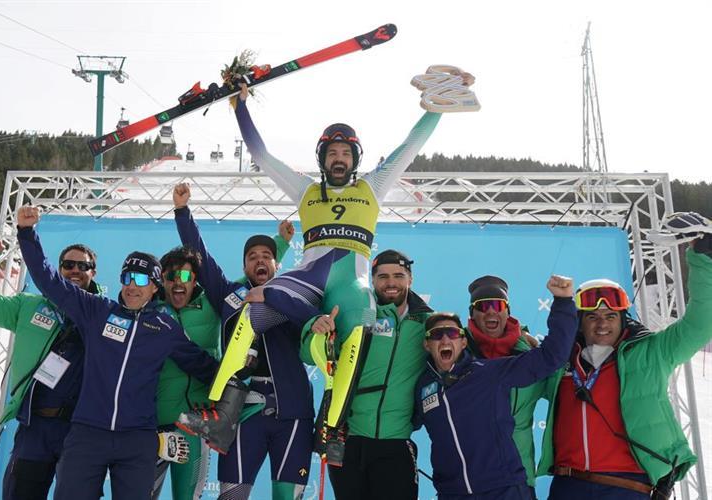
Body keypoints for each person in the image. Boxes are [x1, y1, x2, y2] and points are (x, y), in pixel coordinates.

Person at [182, 71, 476, 463]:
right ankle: (222, 412)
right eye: (332, 153)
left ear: (355, 160)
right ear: (322, 158)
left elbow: (410, 146)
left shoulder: (371, 187)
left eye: (346, 154)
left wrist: (437, 109)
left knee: (355, 336)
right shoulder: (306, 191)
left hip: (349, 283)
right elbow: (262, 157)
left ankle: (333, 430)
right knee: (251, 313)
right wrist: (240, 106)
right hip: (310, 278)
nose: (339, 159)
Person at [14, 205, 218, 500]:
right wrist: (27, 234)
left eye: (140, 280)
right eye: (127, 278)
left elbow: (201, 366)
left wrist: (237, 380)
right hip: (88, 433)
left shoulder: (165, 328)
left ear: (154, 287)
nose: (132, 287)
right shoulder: (97, 311)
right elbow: (49, 281)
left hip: (137, 439)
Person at [538, 228, 712, 498]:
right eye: (593, 317)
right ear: (580, 324)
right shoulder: (560, 361)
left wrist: (703, 258)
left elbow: (700, 324)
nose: (602, 323)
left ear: (624, 320)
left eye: (610, 316)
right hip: (568, 485)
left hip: (628, 487)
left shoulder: (652, 352)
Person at [172, 184, 312, 500]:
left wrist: (281, 246)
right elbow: (200, 256)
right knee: (232, 496)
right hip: (242, 412)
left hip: (292, 412)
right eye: (252, 257)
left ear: (277, 264)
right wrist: (183, 212)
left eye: (267, 257)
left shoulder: (293, 295)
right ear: (244, 265)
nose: (259, 261)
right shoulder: (230, 294)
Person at [414, 275, 577, 500]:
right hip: (453, 492)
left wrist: (563, 302)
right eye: (436, 335)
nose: (444, 340)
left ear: (462, 341)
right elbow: (401, 420)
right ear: (426, 344)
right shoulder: (423, 387)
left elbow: (552, 356)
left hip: (505, 487)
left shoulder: (488, 372)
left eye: (452, 334)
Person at [0, 238, 100, 500]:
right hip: (35, 426)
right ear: (58, 269)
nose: (74, 270)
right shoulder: (28, 306)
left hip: (80, 430)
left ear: (93, 272)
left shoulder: (102, 314)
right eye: (68, 264)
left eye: (82, 266)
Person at [305, 249, 432, 500]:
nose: (391, 283)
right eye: (383, 276)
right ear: (372, 280)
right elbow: (311, 353)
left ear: (410, 279)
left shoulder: (427, 323)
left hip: (395, 442)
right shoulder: (358, 312)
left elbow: (465, 346)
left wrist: (521, 338)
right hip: (348, 439)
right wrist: (315, 327)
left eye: (398, 275)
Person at [151, 245, 222, 500]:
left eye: (184, 277)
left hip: (196, 425)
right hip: (155, 426)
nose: (177, 283)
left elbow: (250, 280)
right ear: (161, 280)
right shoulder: (149, 308)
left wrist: (278, 246)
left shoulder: (211, 305)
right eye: (171, 276)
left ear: (195, 281)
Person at [463, 275, 541, 493]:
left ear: (507, 311)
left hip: (517, 479)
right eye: (482, 306)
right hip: (468, 478)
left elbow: (563, 389)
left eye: (498, 305)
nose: (491, 311)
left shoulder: (530, 353)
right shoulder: (458, 355)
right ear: (472, 314)